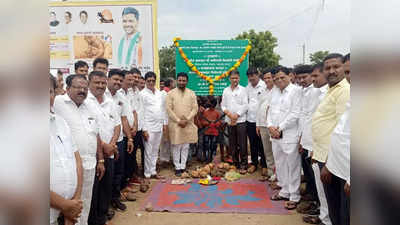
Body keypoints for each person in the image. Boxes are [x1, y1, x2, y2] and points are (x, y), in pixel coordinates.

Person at [54, 74, 104, 225]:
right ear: (68, 88)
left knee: (85, 201)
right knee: (65, 204)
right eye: (78, 87)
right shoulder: (58, 102)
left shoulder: (89, 106)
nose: (82, 90)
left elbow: (95, 134)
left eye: (84, 88)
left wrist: (100, 159)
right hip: (69, 166)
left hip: (90, 165)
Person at [312, 53, 350, 225]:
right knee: (333, 205)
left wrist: (328, 163)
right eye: (327, 68)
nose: (331, 71)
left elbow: (342, 132)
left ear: (344, 68)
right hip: (325, 156)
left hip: (334, 162)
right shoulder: (330, 90)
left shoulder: (344, 91)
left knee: (340, 209)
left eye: (336, 67)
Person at [86, 71, 120, 225]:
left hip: (110, 153)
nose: (100, 86)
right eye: (96, 83)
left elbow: (117, 125)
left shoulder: (110, 102)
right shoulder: (85, 101)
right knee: (93, 191)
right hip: (93, 154)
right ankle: (93, 220)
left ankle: (102, 218)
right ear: (89, 83)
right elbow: (91, 129)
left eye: (102, 83)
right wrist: (104, 146)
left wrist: (112, 145)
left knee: (106, 187)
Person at [50, 74, 83, 225]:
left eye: (48, 91)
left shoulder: (60, 122)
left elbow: (77, 160)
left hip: (66, 211)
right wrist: (65, 205)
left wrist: (74, 203)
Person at [267, 66, 302, 210]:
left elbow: (295, 113)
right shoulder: (274, 91)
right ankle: (285, 191)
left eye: (282, 77)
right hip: (275, 135)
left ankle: (294, 195)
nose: (279, 81)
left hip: (289, 135)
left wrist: (279, 128)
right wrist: (270, 126)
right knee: (280, 164)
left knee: (292, 166)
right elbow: (269, 110)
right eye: (276, 79)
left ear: (290, 76)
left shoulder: (296, 91)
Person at [305, 62, 332, 225]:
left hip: (327, 150)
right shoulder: (318, 93)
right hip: (315, 145)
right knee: (320, 186)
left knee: (326, 188)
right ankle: (324, 215)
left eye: (315, 76)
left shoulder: (331, 93)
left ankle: (326, 218)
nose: (312, 79)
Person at [104, 69, 133, 211]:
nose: (118, 82)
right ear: (108, 79)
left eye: (120, 81)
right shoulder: (101, 96)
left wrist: (130, 139)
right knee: (106, 174)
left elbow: (124, 119)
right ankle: (106, 204)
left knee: (118, 172)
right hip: (105, 143)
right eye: (115, 79)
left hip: (120, 140)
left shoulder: (121, 97)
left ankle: (115, 198)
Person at [295, 64, 321, 205]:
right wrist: (300, 138)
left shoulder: (317, 92)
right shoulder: (301, 91)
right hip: (304, 137)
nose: (302, 80)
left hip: (314, 140)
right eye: (299, 78)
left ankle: (316, 202)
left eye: (304, 77)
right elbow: (302, 117)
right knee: (308, 170)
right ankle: (311, 194)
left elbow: (313, 118)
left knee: (314, 172)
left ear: (311, 76)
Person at [323, 101, 350, 225]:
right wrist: (329, 164)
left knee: (346, 216)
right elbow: (338, 136)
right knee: (337, 214)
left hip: (349, 174)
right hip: (336, 168)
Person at [165, 72, 198, 176]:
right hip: (176, 124)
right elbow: (168, 109)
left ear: (187, 81)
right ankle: (177, 167)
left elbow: (195, 108)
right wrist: (179, 121)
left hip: (187, 123)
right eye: (180, 80)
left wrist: (187, 119)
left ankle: (183, 166)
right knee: (176, 146)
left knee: (185, 146)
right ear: (176, 81)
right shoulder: (171, 93)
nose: (182, 82)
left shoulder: (191, 93)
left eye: (184, 80)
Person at [139, 71, 168, 181]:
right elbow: (141, 112)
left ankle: (153, 171)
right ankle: (147, 173)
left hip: (159, 126)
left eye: (153, 81)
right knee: (148, 151)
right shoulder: (142, 94)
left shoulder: (160, 94)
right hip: (149, 127)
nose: (151, 82)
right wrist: (144, 129)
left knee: (155, 150)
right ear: (145, 81)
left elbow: (163, 109)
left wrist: (165, 124)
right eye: (149, 81)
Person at [221, 70, 248, 174]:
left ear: (239, 78)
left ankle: (244, 164)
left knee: (242, 143)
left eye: (236, 78)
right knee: (232, 143)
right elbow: (223, 105)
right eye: (232, 78)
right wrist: (229, 114)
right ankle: (235, 163)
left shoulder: (243, 90)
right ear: (229, 79)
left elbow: (245, 105)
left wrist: (236, 115)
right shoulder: (225, 90)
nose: (234, 80)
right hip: (229, 121)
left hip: (240, 120)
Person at [245, 67, 268, 175]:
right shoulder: (247, 87)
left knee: (262, 144)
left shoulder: (264, 86)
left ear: (258, 75)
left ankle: (264, 165)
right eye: (249, 76)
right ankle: (254, 164)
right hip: (250, 119)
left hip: (262, 121)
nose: (251, 78)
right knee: (253, 143)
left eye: (253, 76)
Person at [256, 69, 275, 180]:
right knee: (267, 151)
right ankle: (270, 172)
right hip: (262, 125)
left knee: (276, 151)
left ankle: (278, 174)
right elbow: (259, 108)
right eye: (265, 78)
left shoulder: (277, 91)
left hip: (273, 126)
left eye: (269, 77)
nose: (267, 80)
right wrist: (257, 125)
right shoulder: (263, 91)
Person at [200, 97, 221, 163]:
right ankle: (206, 159)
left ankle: (213, 160)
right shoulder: (205, 112)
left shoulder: (217, 113)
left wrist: (215, 123)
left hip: (215, 133)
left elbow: (219, 122)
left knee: (213, 146)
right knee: (206, 146)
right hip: (207, 132)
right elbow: (202, 121)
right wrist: (209, 123)